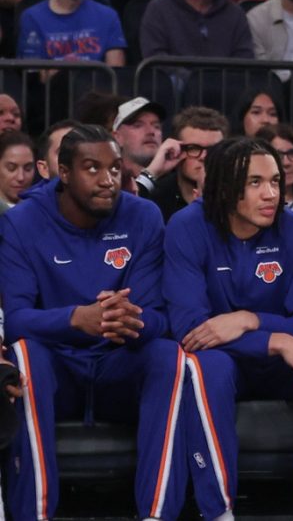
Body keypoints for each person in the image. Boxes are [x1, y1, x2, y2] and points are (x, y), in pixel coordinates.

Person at [0, 124, 189, 521]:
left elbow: (160, 317)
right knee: (25, 356)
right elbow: (16, 320)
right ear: (63, 172)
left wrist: (129, 320)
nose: (108, 180)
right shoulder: (22, 222)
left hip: (120, 363)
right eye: (92, 168)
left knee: (168, 355)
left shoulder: (144, 216)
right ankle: (34, 514)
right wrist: (77, 319)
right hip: (59, 367)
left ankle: (157, 514)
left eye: (116, 168)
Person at [163, 137, 293, 521]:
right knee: (206, 368)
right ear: (223, 187)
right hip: (224, 360)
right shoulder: (186, 226)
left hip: (277, 359)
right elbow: (191, 330)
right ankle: (218, 512)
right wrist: (279, 339)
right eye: (255, 183)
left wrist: (251, 321)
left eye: (275, 181)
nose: (271, 194)